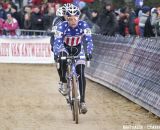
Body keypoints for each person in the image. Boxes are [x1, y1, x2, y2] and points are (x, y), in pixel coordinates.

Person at [53, 4, 93, 114]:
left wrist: (89, 53)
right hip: (64, 47)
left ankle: (83, 101)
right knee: (61, 59)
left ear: (78, 18)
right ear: (67, 18)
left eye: (75, 18)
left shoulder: (84, 25)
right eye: (70, 19)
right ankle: (64, 82)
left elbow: (89, 40)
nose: (73, 21)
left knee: (81, 72)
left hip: (77, 49)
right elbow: (57, 41)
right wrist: (57, 53)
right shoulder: (62, 26)